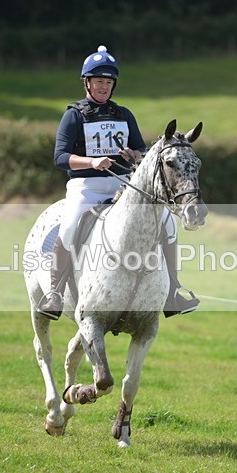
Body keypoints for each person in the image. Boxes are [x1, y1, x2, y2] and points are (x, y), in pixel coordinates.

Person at [37, 45, 199, 320]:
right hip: (86, 186)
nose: (104, 86)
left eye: (108, 82)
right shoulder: (74, 115)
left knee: (168, 223)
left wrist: (133, 155)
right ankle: (54, 292)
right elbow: (60, 157)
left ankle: (173, 291)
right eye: (99, 81)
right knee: (69, 225)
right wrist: (91, 162)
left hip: (123, 183)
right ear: (87, 83)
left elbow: (141, 151)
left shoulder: (123, 114)